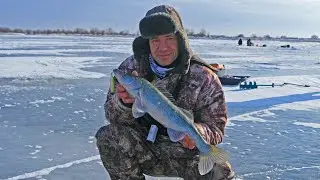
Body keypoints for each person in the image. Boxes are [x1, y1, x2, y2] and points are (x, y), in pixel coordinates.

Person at [95, 5, 234, 180]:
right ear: (147, 42)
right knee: (108, 136)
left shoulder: (204, 77)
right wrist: (123, 103)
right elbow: (112, 116)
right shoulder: (131, 68)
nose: (163, 47)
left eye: (169, 38)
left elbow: (216, 128)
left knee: (221, 169)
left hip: (186, 154)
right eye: (155, 40)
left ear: (180, 39)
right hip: (144, 149)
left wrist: (197, 132)